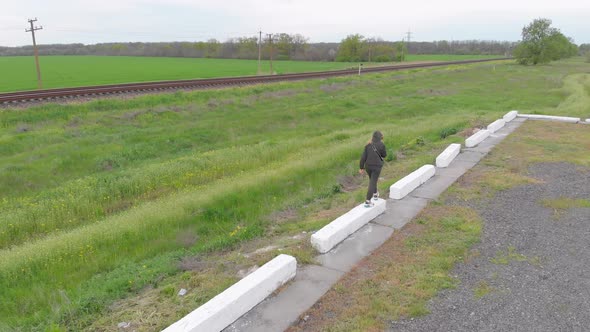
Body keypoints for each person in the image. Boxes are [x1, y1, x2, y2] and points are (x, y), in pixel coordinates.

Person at [359, 130, 387, 207]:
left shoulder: (368, 145)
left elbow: (363, 157)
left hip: (368, 166)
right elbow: (384, 155)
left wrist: (361, 167)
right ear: (380, 137)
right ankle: (368, 201)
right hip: (377, 166)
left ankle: (375, 194)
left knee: (372, 180)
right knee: (373, 182)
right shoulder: (381, 144)